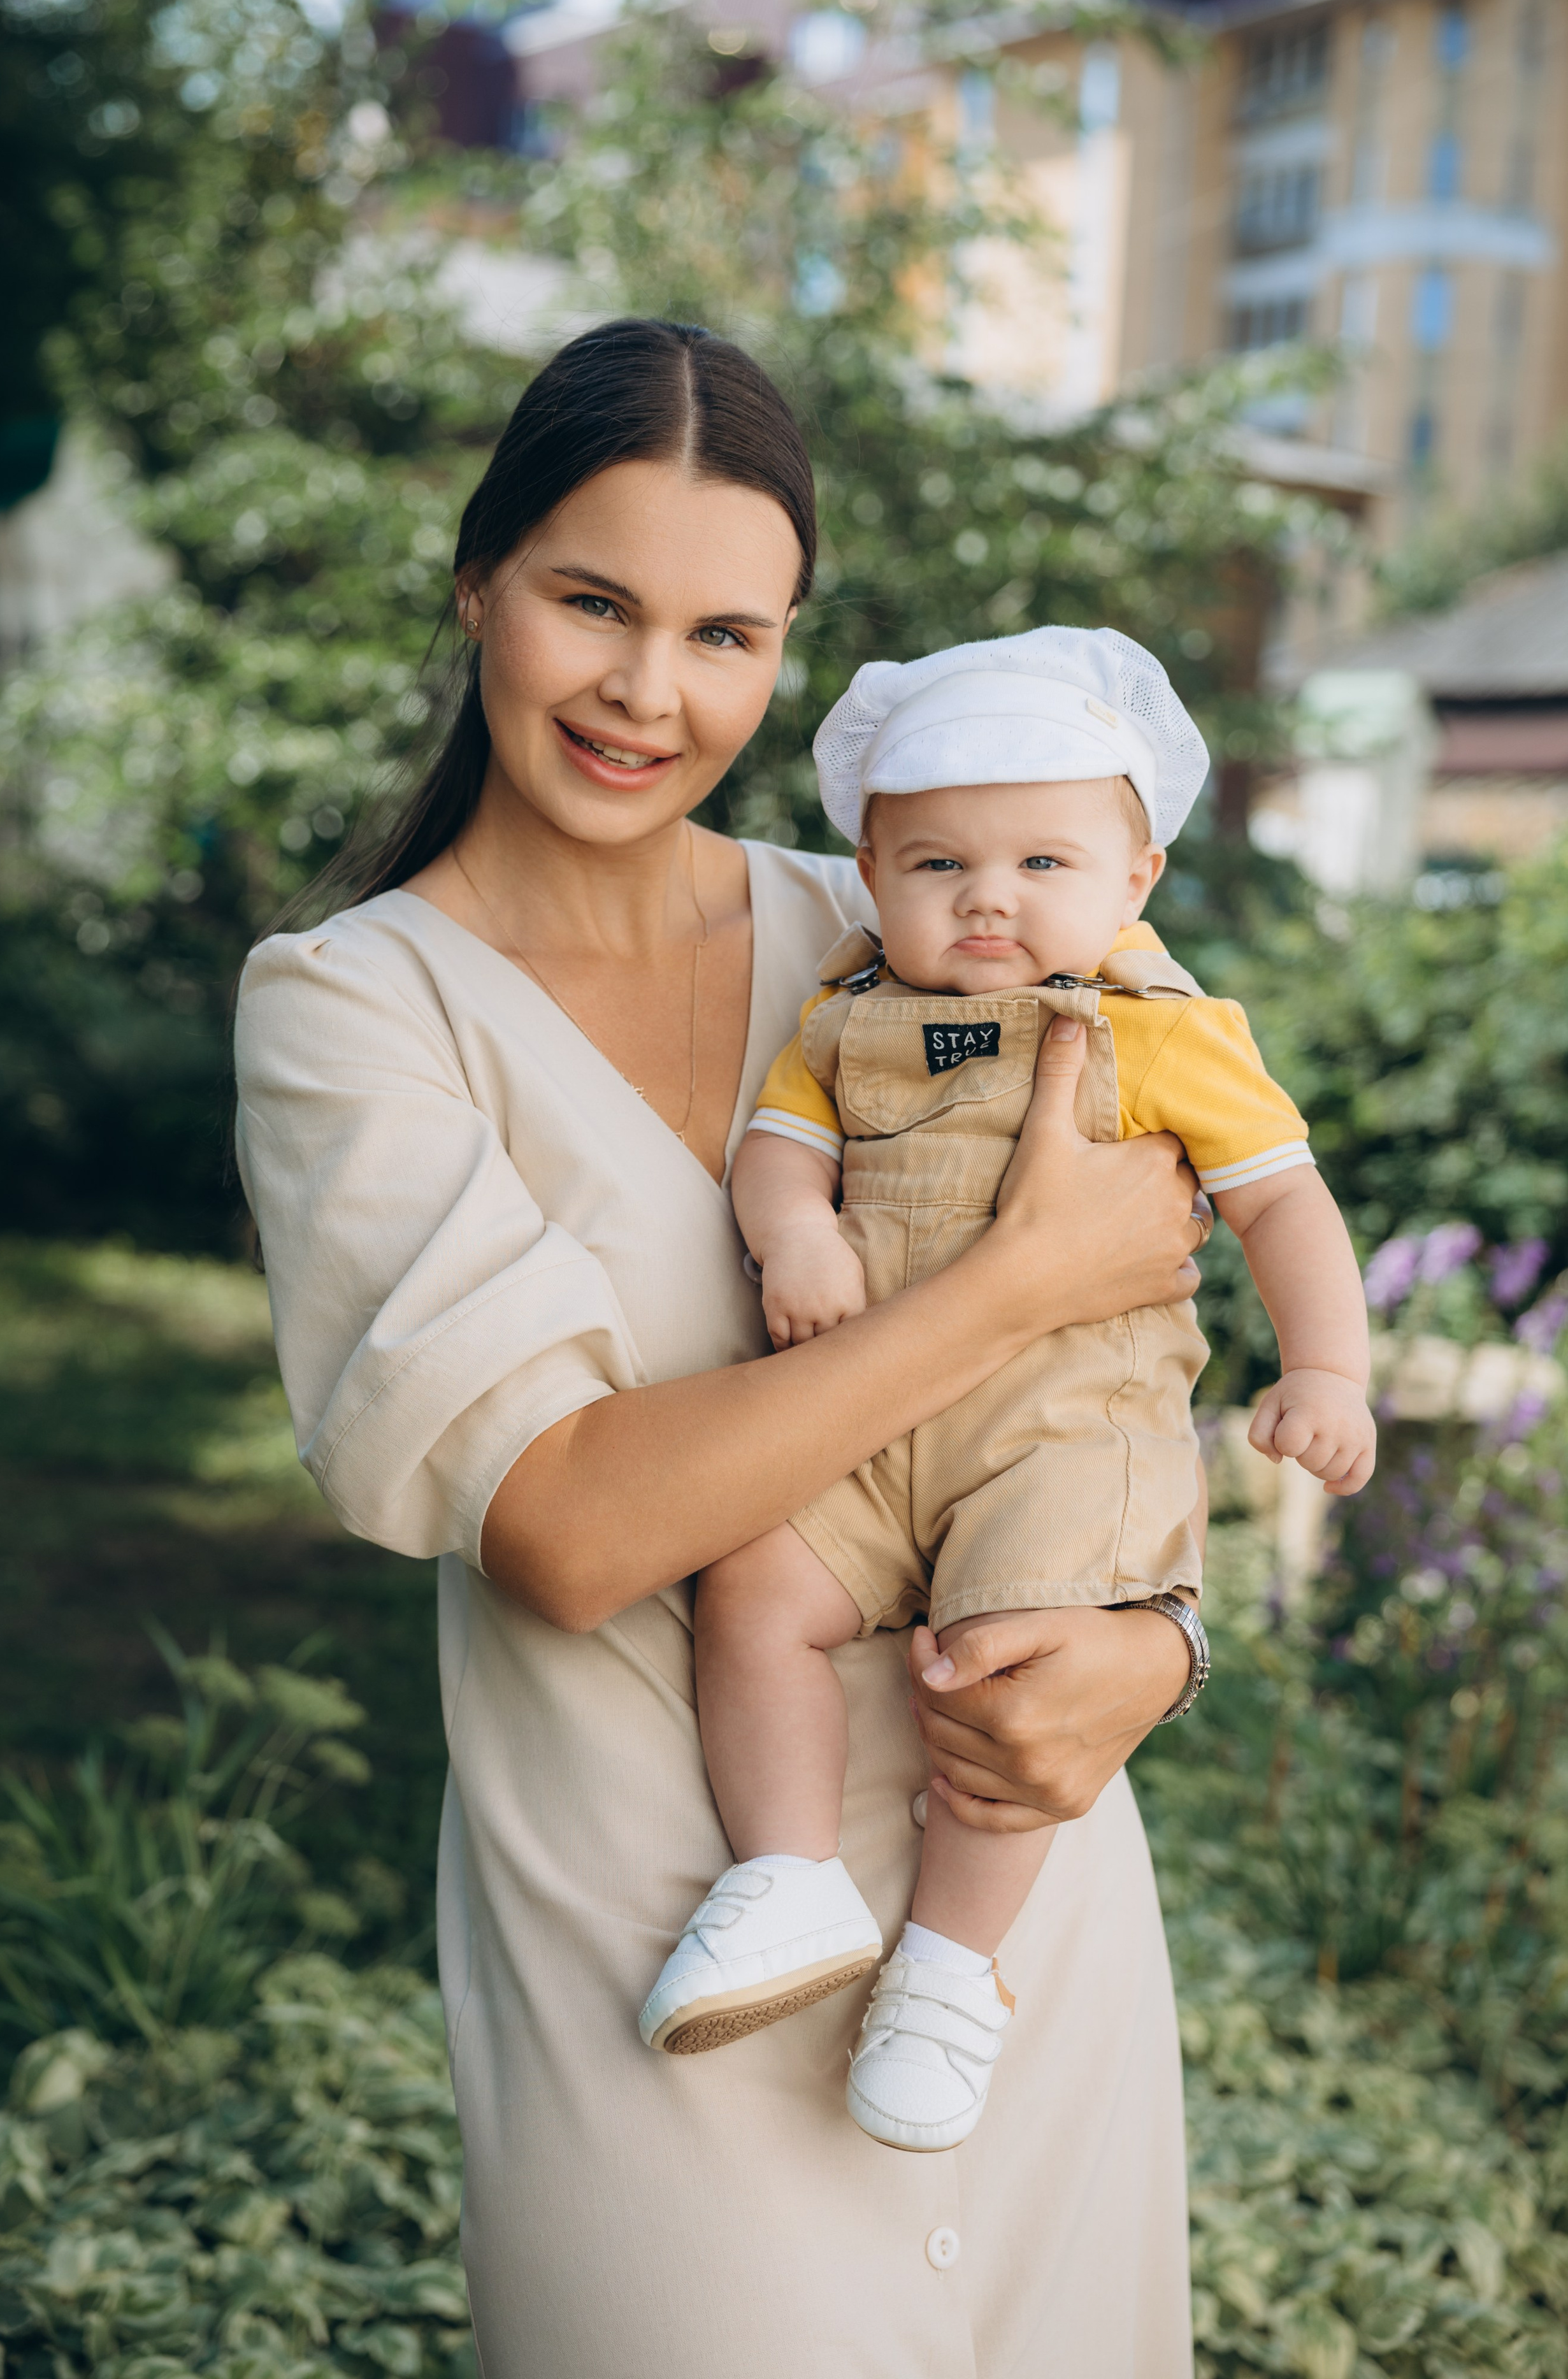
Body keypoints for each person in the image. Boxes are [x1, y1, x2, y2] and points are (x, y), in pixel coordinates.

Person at [235, 317, 1211, 2378]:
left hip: (1015, 1932)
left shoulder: (932, 902)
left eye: (726, 635)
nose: (648, 695)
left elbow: (1157, 1350)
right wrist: (1005, 1286)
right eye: (594, 602)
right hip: (650, 1966)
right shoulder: (353, 1007)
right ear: (479, 578)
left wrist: (1158, 1648)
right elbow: (572, 1529)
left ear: (790, 659)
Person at [639, 629, 1376, 2153]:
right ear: (869, 871)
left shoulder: (1166, 1036)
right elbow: (780, 1146)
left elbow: (1282, 1202)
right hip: (856, 1415)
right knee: (751, 1590)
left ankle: (946, 1972)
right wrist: (794, 1230)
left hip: (1056, 1433)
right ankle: (786, 1877)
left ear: (1135, 879)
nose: (986, 896)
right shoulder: (842, 1023)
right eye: (935, 863)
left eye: (1042, 858)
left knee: (1003, 1689)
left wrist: (1325, 1366)